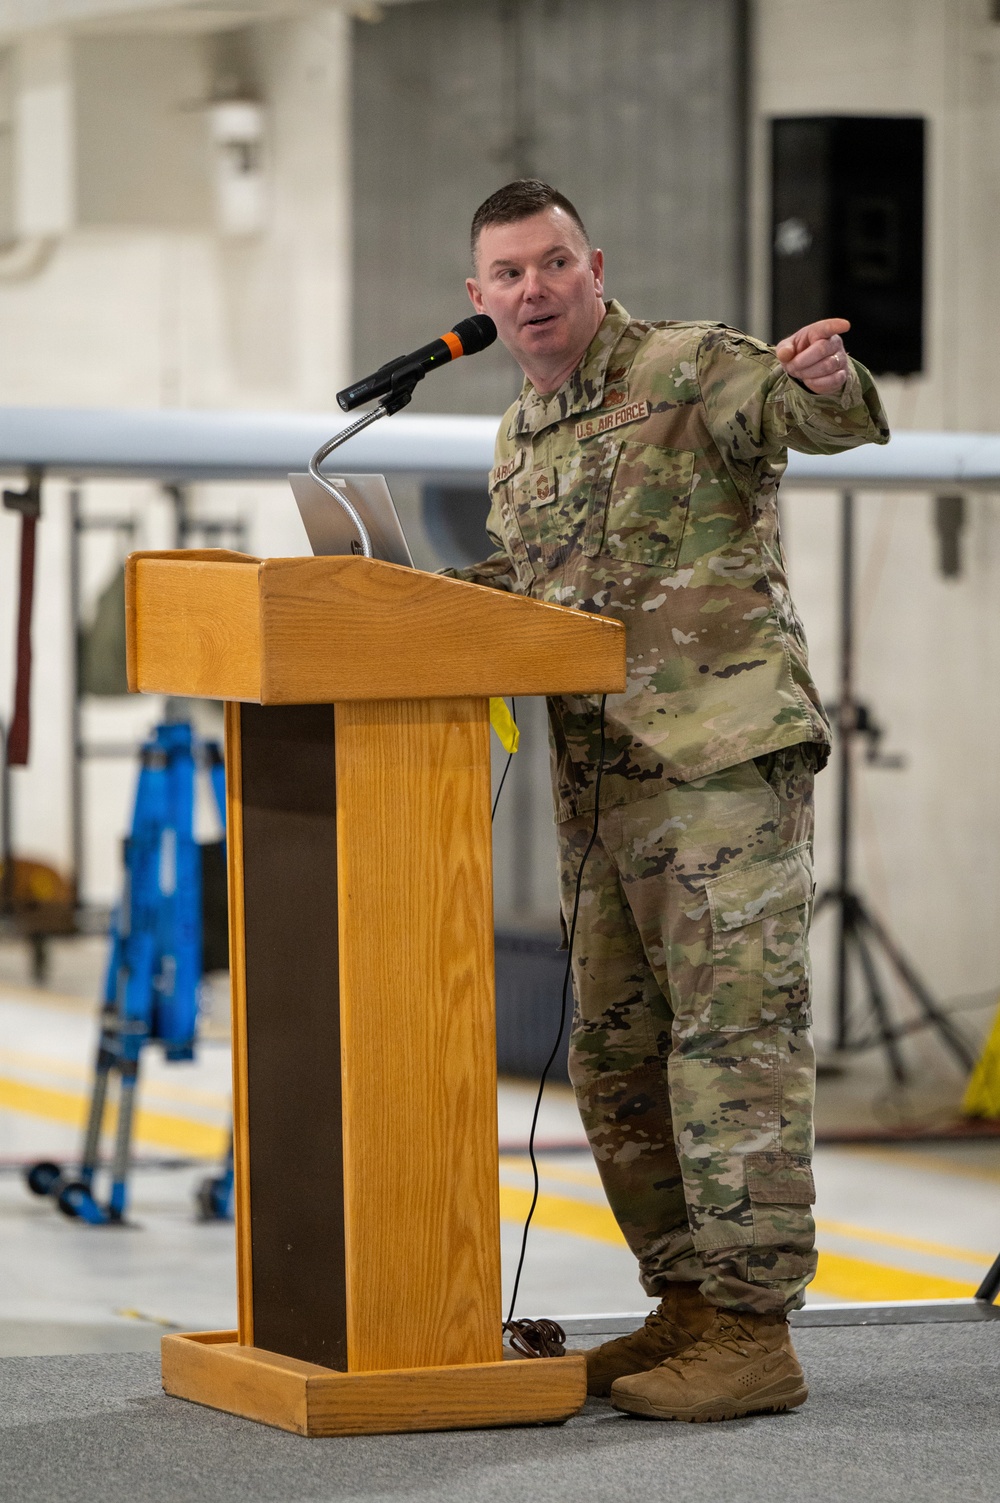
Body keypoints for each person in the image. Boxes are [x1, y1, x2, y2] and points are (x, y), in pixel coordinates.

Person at [452, 179, 889, 1423]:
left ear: (593, 266)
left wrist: (816, 382)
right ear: (476, 300)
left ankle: (753, 1329)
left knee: (728, 1047)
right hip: (600, 796)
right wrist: (407, 603)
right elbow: (538, 589)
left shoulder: (690, 368)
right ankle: (686, 1303)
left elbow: (815, 417)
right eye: (506, 275)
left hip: (716, 770)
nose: (531, 290)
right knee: (616, 1059)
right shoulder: (520, 435)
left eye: (550, 265)